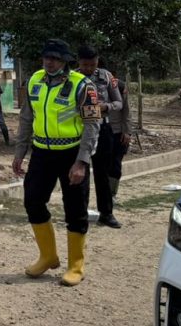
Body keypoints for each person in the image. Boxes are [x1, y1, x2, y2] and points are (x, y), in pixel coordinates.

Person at [12, 40, 100, 286]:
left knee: (75, 209)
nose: (49, 62)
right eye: (46, 57)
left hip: (72, 154)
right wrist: (20, 152)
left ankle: (76, 266)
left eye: (55, 59)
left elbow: (92, 125)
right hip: (41, 152)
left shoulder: (83, 85)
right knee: (32, 201)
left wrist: (82, 162)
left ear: (65, 61)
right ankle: (48, 256)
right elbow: (26, 118)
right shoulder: (34, 80)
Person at [75, 46, 123, 229]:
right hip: (80, 130)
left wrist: (106, 107)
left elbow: (118, 102)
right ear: (78, 62)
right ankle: (80, 212)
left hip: (103, 129)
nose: (88, 68)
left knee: (102, 173)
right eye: (85, 65)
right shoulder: (72, 78)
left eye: (92, 64)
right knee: (81, 172)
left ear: (97, 61)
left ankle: (106, 213)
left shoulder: (107, 76)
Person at [108, 78, 132, 200]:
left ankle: (112, 193)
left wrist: (126, 131)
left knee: (115, 164)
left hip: (117, 132)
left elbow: (126, 110)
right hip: (99, 130)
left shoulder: (120, 86)